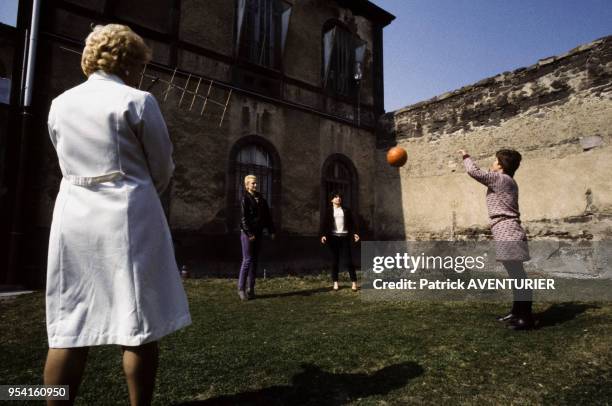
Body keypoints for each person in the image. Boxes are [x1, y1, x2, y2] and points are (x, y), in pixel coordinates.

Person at [44, 24, 191, 405]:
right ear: (129, 63)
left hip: (74, 215)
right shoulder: (138, 101)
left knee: (70, 324)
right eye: (140, 64)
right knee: (138, 320)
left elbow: (63, 157)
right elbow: (163, 166)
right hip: (129, 214)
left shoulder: (60, 104)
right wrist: (139, 191)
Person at [459, 149, 533, 330]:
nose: (492, 164)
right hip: (505, 230)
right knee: (516, 276)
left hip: (508, 231)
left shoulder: (501, 179)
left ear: (500, 165)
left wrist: (466, 156)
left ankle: (525, 318)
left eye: (494, 161)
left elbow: (474, 172)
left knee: (518, 277)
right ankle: (517, 312)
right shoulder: (507, 181)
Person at [238, 174, 275, 300]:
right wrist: (249, 234)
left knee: (254, 261)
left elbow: (267, 217)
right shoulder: (245, 199)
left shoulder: (262, 199)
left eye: (256, 183)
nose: (255, 185)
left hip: (258, 234)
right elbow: (243, 220)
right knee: (247, 260)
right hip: (247, 234)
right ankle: (241, 289)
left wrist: (271, 231)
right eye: (253, 183)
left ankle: (251, 289)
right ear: (247, 185)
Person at [320, 192, 360, 291]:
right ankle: (335, 283)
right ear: (331, 200)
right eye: (335, 197)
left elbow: (351, 223)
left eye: (339, 197)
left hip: (344, 238)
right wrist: (323, 235)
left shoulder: (346, 210)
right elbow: (324, 224)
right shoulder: (329, 211)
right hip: (333, 238)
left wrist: (355, 233)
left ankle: (354, 283)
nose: (338, 199)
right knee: (334, 261)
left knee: (348, 261)